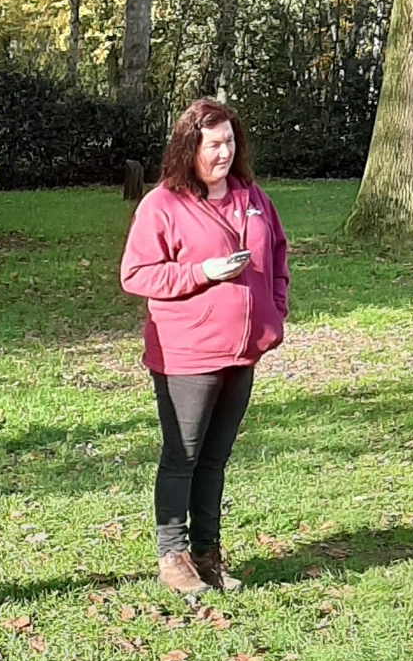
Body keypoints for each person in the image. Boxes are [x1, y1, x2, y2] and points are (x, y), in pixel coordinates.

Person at [120, 98, 289, 596]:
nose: (223, 152)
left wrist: (274, 310)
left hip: (244, 351)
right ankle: (171, 556)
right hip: (187, 354)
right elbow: (136, 274)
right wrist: (202, 272)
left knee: (215, 458)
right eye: (213, 144)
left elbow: (278, 258)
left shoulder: (252, 197)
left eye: (229, 141)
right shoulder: (162, 205)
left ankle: (207, 554)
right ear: (189, 147)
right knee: (184, 455)